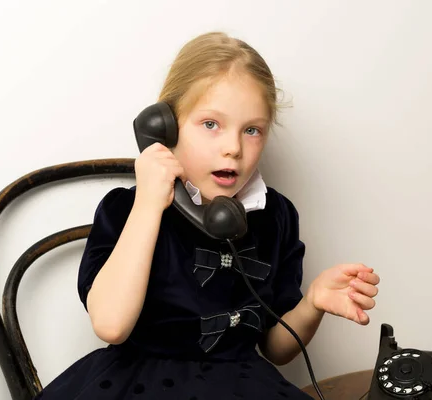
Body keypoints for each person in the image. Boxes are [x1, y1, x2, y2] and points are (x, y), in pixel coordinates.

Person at [35, 31, 380, 400]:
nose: (232, 148)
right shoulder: (126, 209)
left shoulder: (274, 216)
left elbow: (278, 350)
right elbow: (111, 325)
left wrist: (312, 304)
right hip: (136, 384)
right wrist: (150, 205)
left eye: (252, 130)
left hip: (244, 384)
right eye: (211, 124)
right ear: (165, 125)